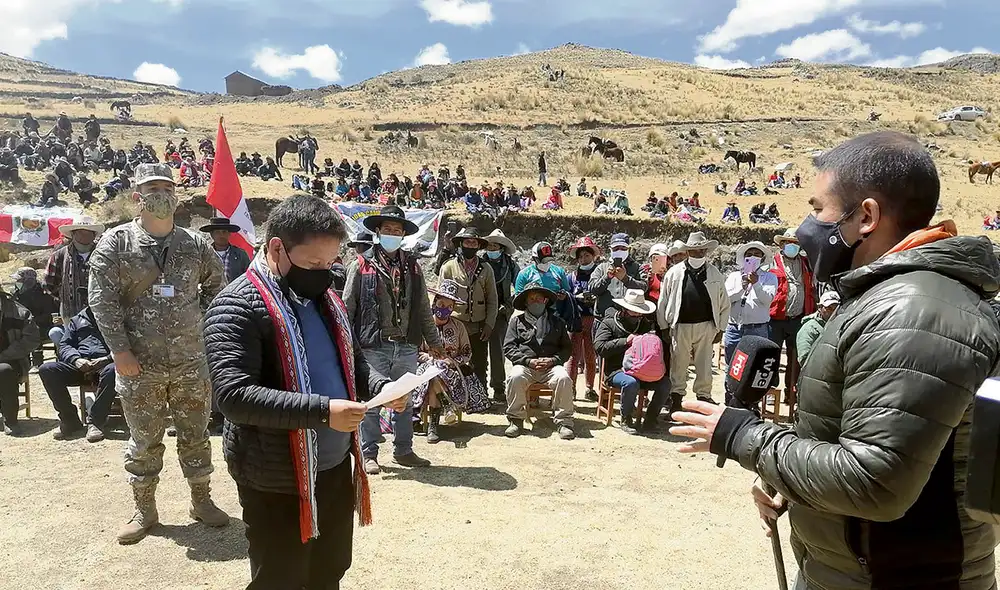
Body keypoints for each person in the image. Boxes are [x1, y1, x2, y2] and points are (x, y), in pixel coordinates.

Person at [673, 130, 1000, 590]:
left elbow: (875, 481)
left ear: (866, 216)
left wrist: (743, 437)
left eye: (817, 209)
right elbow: (859, 433)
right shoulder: (887, 297)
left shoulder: (912, 311)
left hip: (898, 576)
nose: (808, 227)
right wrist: (790, 480)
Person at [204, 194, 396, 590]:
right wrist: (323, 412)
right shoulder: (236, 306)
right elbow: (234, 397)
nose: (324, 273)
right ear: (277, 248)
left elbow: (351, 364)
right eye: (313, 264)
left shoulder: (325, 300)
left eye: (330, 263)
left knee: (330, 570)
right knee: (281, 578)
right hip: (275, 479)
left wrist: (382, 387)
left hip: (333, 470)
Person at [88, 163, 229, 544]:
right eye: (153, 188)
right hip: (139, 364)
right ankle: (145, 510)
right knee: (144, 440)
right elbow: (102, 300)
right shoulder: (117, 243)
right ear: (138, 197)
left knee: (196, 435)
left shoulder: (195, 244)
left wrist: (206, 335)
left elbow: (220, 291)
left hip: (191, 363)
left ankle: (201, 501)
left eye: (168, 187)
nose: (162, 194)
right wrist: (120, 351)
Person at [343, 205, 443, 475]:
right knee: (374, 399)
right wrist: (346, 342)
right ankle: (369, 453)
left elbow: (423, 307)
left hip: (406, 344)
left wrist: (433, 341)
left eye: (396, 231)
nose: (392, 234)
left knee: (405, 399)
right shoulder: (361, 265)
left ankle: (404, 450)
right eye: (387, 230)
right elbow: (347, 307)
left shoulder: (413, 266)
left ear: (403, 235)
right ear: (377, 232)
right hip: (373, 344)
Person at [656, 232, 730, 410]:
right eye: (695, 250)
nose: (699, 253)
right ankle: (676, 399)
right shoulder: (674, 273)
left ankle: (703, 398)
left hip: (706, 325)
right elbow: (663, 301)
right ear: (688, 251)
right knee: (678, 364)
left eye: (702, 250)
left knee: (704, 364)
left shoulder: (715, 273)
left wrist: (720, 328)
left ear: (706, 251)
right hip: (680, 325)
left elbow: (724, 302)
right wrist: (664, 326)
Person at [414, 279, 491, 444]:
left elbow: (467, 352)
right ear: (434, 303)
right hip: (425, 371)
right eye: (442, 304)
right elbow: (415, 351)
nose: (445, 309)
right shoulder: (423, 326)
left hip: (453, 372)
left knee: (438, 372)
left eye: (450, 307)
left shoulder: (459, 327)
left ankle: (433, 425)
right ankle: (444, 408)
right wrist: (429, 358)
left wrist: (452, 361)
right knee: (434, 372)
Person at [503, 283, 575, 440]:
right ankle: (516, 420)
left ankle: (564, 422)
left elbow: (567, 349)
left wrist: (553, 360)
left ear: (546, 301)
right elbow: (508, 347)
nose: (535, 301)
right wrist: (527, 361)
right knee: (515, 377)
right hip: (526, 366)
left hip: (551, 367)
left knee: (563, 378)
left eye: (539, 298)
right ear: (526, 302)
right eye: (531, 299)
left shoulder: (558, 322)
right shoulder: (516, 322)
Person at [39, 297, 116, 443]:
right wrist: (76, 359)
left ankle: (96, 422)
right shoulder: (77, 320)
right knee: (47, 369)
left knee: (113, 371)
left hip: (106, 365)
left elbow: (128, 344)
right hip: (81, 364)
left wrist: (107, 359)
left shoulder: (117, 318)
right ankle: (70, 421)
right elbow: (64, 345)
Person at [593, 289, 669, 434]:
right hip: (616, 371)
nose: (637, 315)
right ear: (624, 309)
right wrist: (625, 341)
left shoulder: (645, 325)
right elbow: (599, 347)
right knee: (631, 383)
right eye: (634, 312)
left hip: (644, 370)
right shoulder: (609, 324)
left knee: (665, 384)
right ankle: (626, 418)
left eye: (640, 312)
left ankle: (651, 419)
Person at [438, 228, 498, 391]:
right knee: (453, 361)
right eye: (467, 242)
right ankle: (454, 396)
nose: (470, 245)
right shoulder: (449, 267)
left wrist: (489, 324)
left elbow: (493, 299)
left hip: (479, 324)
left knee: (479, 361)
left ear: (478, 246)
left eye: (474, 242)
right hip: (455, 323)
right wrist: (442, 323)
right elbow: (441, 298)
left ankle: (480, 394)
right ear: (460, 244)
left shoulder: (486, 269)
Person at [768, 228, 817, 408]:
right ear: (781, 244)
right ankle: (771, 391)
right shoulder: (772, 262)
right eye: (789, 243)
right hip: (775, 318)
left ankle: (791, 392)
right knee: (771, 356)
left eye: (796, 244)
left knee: (795, 357)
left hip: (798, 318)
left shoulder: (806, 263)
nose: (792, 247)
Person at [722, 241, 778, 367]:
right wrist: (741, 288)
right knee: (731, 366)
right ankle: (730, 387)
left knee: (754, 367)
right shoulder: (734, 276)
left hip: (757, 329)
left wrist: (756, 284)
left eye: (757, 254)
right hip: (735, 328)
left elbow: (767, 300)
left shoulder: (770, 278)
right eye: (750, 254)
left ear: (762, 258)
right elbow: (726, 299)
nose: (753, 257)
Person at [482, 229, 519, 404]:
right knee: (478, 352)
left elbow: (520, 285)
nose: (492, 248)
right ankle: (479, 387)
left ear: (501, 248)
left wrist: (509, 305)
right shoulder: (480, 262)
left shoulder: (510, 265)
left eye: (495, 245)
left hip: (501, 312)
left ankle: (498, 387)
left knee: (498, 352)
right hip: (480, 312)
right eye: (489, 245)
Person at [0, 287, 40, 436]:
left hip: (11, 359)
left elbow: (32, 339)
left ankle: (10, 420)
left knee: (4, 371)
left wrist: (5, 355)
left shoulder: (18, 312)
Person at [567, 237, 601, 401]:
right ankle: (570, 388)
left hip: (594, 319)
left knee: (590, 355)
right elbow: (566, 296)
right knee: (573, 355)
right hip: (576, 319)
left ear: (593, 256)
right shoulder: (571, 276)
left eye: (587, 255)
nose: (583, 259)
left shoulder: (600, 274)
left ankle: (589, 388)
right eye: (581, 257)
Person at [589, 233, 645, 318]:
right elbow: (592, 289)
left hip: (628, 319)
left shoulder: (638, 267)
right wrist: (606, 278)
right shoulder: (601, 268)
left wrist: (625, 279)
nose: (619, 251)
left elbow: (644, 288)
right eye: (616, 248)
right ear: (610, 249)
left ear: (628, 249)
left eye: (623, 248)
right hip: (603, 318)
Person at [10, 267, 57, 366]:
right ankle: (22, 364)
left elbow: (47, 314)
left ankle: (37, 361)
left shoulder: (43, 294)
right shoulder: (17, 293)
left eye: (20, 280)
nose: (17, 283)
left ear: (28, 281)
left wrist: (30, 321)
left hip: (43, 325)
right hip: (23, 324)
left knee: (34, 330)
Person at [200, 217, 252, 284]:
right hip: (210, 294)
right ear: (212, 235)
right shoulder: (204, 255)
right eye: (217, 232)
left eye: (224, 232)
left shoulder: (240, 255)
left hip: (233, 293)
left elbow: (249, 276)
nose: (221, 235)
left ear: (229, 234)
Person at [795, 290, 840, 366]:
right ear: (820, 308)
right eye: (829, 308)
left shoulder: (840, 325)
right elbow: (804, 359)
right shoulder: (809, 329)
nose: (833, 311)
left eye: (836, 308)